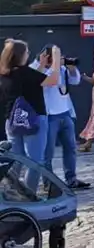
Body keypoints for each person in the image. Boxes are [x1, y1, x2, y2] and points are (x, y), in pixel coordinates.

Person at [0, 39, 58, 187]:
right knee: (35, 161)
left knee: (17, 159)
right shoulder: (26, 73)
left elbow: (30, 80)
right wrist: (56, 60)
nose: (28, 54)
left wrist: (41, 65)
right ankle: (29, 194)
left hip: (12, 120)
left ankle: (10, 191)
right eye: (27, 52)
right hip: (33, 120)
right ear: (20, 55)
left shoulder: (5, 74)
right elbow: (52, 80)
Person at [38, 46, 90, 190]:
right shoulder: (38, 67)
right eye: (58, 56)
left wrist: (72, 67)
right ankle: (48, 183)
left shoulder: (62, 69)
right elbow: (47, 81)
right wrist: (54, 64)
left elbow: (75, 81)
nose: (62, 59)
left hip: (65, 113)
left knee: (70, 148)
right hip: (48, 116)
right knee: (47, 152)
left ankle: (71, 179)